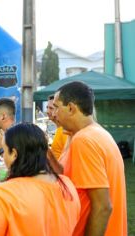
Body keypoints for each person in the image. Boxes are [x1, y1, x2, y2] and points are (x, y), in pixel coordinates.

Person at [0, 123, 80, 235]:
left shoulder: (4, 194)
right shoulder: (66, 184)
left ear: (14, 155)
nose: (3, 157)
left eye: (4, 151)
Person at [53, 81, 127, 236]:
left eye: (57, 107)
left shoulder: (84, 140)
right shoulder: (96, 133)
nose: (54, 114)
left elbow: (103, 207)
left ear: (71, 108)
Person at [46, 94, 68, 160]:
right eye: (47, 107)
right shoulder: (60, 130)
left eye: (51, 108)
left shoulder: (65, 131)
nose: (47, 111)